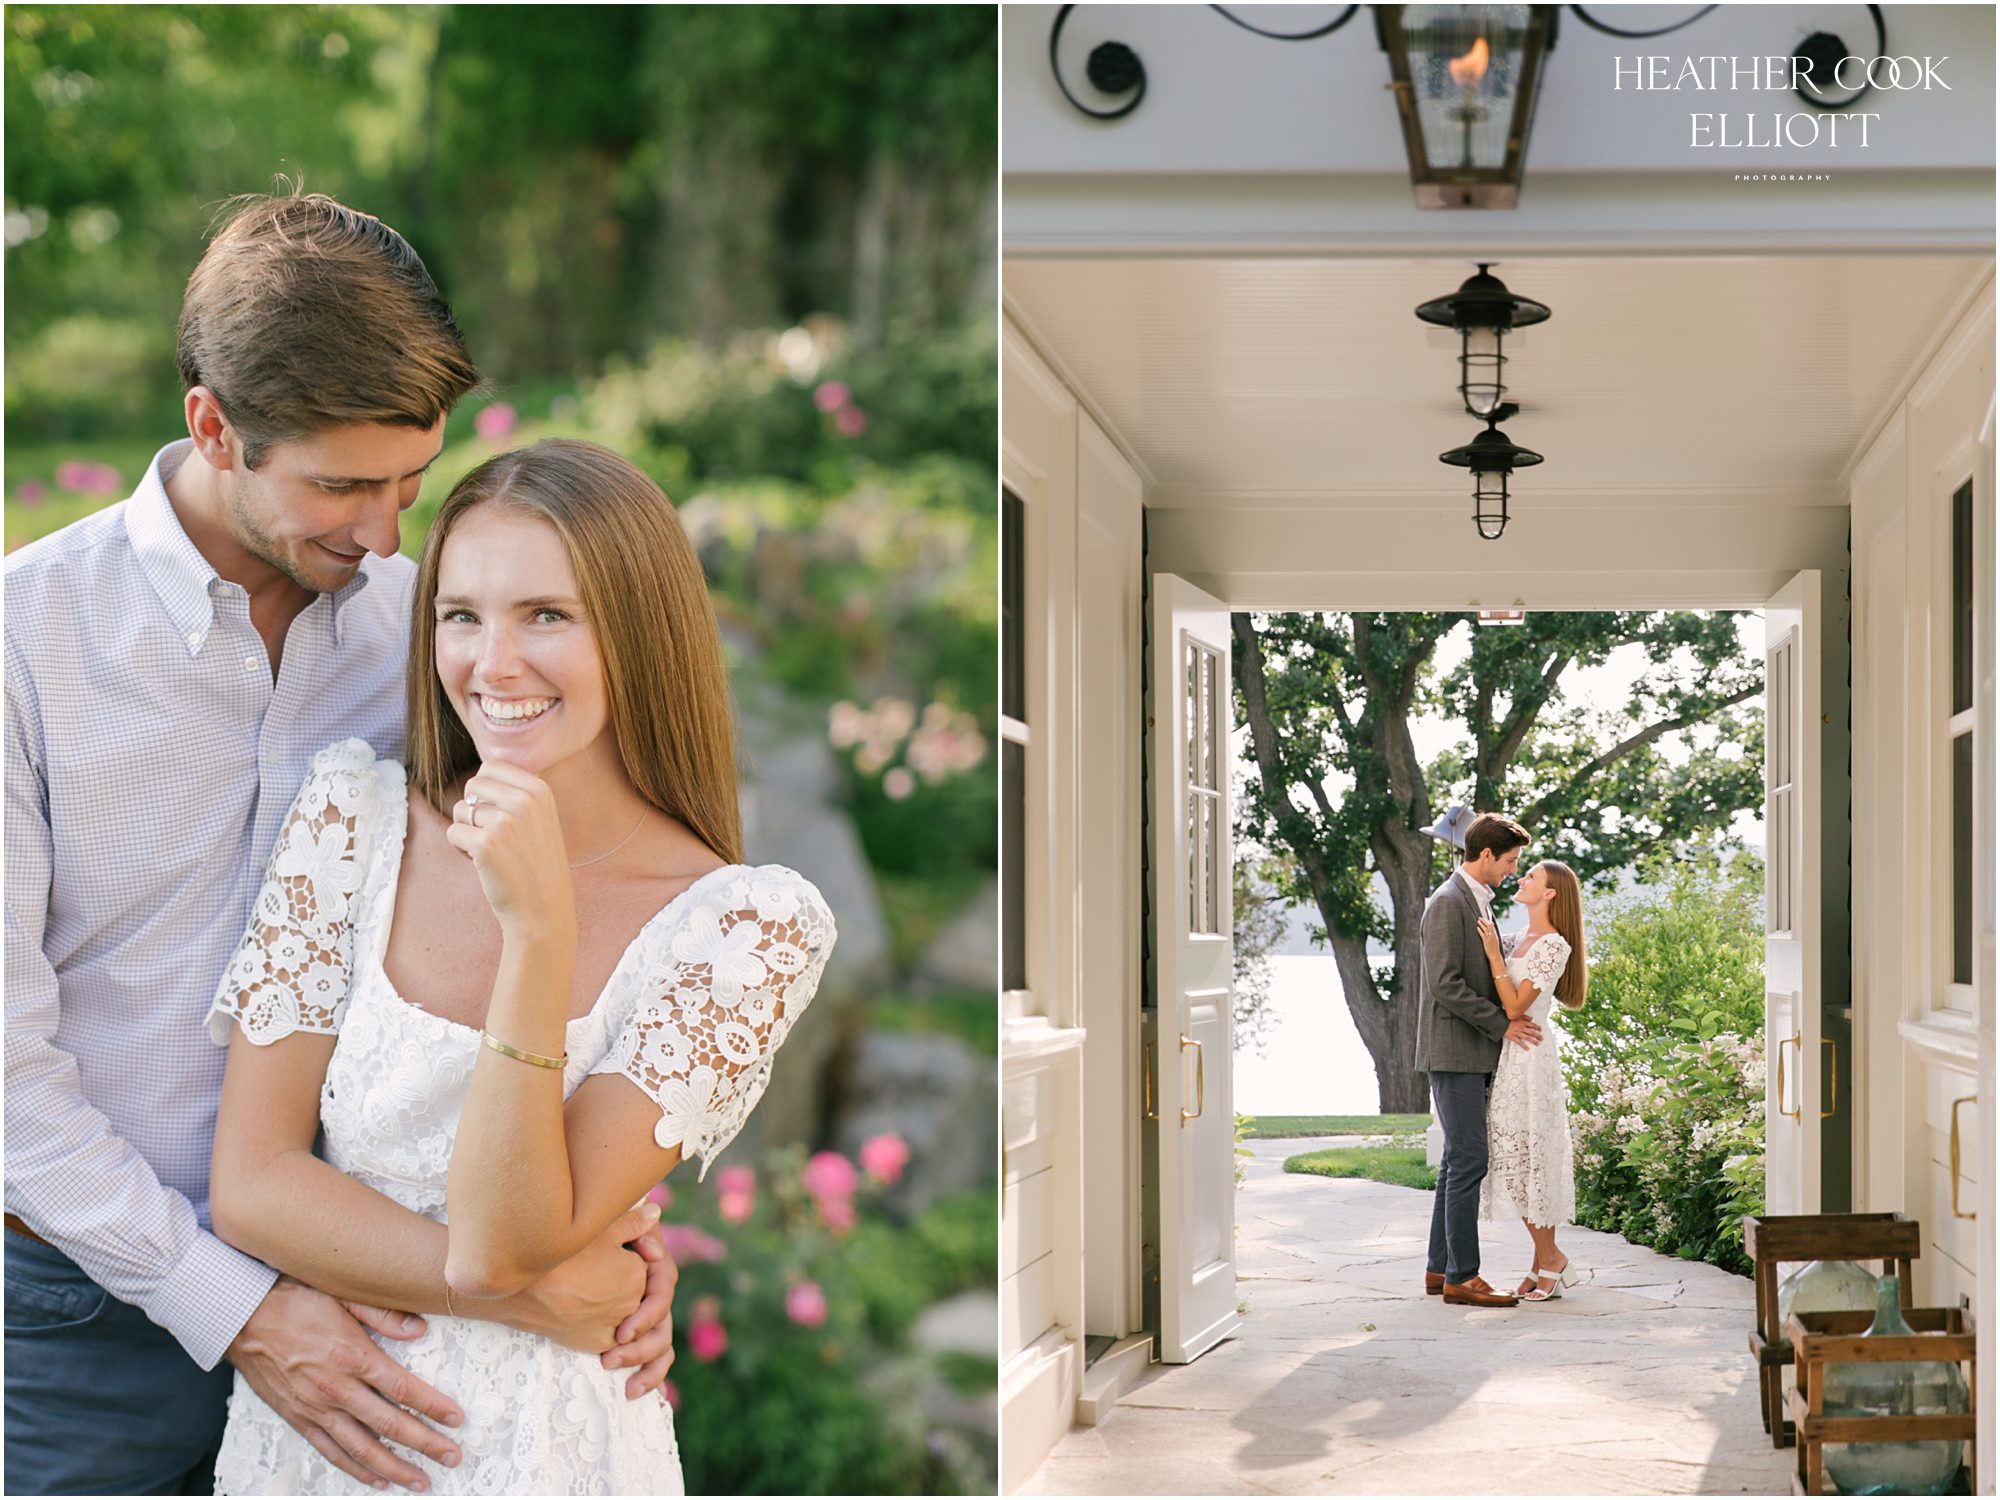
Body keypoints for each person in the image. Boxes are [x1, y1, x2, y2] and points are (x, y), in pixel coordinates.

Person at [4, 193, 676, 1497]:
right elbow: (5, 1078)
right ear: (213, 426)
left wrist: (606, 1221)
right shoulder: (26, 647)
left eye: (411, 484)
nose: (382, 538)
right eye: (342, 486)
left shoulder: (436, 628)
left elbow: (572, 908)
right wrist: (245, 1310)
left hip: (394, 1303)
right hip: (76, 1326)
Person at [204, 437, 836, 1494]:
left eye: (547, 615)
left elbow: (501, 1240)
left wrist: (537, 934)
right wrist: (540, 1294)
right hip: (309, 1443)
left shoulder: (743, 932)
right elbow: (253, 1184)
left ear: (637, 632)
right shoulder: (352, 818)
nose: (491, 665)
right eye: (461, 615)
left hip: (549, 1454)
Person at [1411, 811, 1543, 1309]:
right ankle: (1464, 1277)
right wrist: (1502, 1022)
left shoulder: (1475, 900)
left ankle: (1439, 1267)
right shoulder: (1448, 902)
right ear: (1485, 855)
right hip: (1454, 1051)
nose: (1513, 870)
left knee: (1455, 1160)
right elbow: (1445, 984)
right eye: (1510, 861)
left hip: (1467, 1051)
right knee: (1470, 1159)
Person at [1476, 859, 1589, 1301]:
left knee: (1532, 1159)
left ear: (1550, 894)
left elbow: (1516, 1007)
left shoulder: (1554, 946)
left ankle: (1551, 1261)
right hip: (1510, 1059)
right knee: (1514, 1161)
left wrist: (1492, 958)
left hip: (1532, 1058)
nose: (1521, 879)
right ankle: (1545, 1261)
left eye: (1531, 878)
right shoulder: (1518, 938)